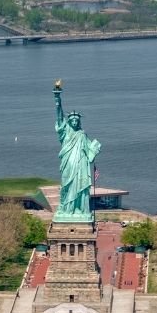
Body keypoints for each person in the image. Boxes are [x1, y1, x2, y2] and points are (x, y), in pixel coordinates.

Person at [53, 81, 101, 219]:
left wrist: (95, 148)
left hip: (80, 164)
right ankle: (67, 210)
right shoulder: (65, 132)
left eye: (76, 121)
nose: (74, 122)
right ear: (69, 122)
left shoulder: (82, 134)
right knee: (67, 185)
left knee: (81, 187)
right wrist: (57, 99)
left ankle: (80, 210)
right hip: (68, 163)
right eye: (72, 120)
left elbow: (90, 151)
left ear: (78, 122)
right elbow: (59, 116)